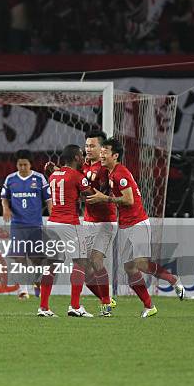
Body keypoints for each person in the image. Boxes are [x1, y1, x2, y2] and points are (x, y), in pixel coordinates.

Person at [87, 138, 185, 317]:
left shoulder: (120, 173)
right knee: (129, 268)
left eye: (105, 152)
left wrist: (105, 199)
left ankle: (173, 279)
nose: (101, 154)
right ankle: (149, 306)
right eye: (101, 151)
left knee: (141, 264)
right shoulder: (110, 173)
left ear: (115, 155)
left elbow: (129, 200)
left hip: (138, 222)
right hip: (124, 224)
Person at [41, 145, 93, 317]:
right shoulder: (78, 177)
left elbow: (64, 181)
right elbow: (90, 195)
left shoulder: (54, 175)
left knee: (52, 264)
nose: (84, 157)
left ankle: (43, 307)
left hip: (52, 223)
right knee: (80, 262)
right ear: (77, 158)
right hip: (70, 224)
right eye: (82, 155)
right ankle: (75, 306)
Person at [1, 149, 52, 299]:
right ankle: (23, 289)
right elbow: (4, 197)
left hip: (35, 224)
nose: (22, 168)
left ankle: (37, 284)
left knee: (36, 258)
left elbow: (48, 200)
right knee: (19, 257)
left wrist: (53, 215)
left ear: (30, 164)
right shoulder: (10, 179)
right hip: (17, 224)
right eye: (20, 165)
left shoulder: (39, 178)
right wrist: (6, 208)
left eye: (25, 165)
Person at [81, 130, 117, 316]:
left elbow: (112, 191)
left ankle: (106, 306)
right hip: (88, 221)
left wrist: (104, 196)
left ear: (102, 148)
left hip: (106, 221)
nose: (88, 149)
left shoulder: (106, 168)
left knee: (96, 260)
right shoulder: (84, 166)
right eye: (87, 145)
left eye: (92, 145)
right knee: (86, 274)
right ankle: (107, 299)